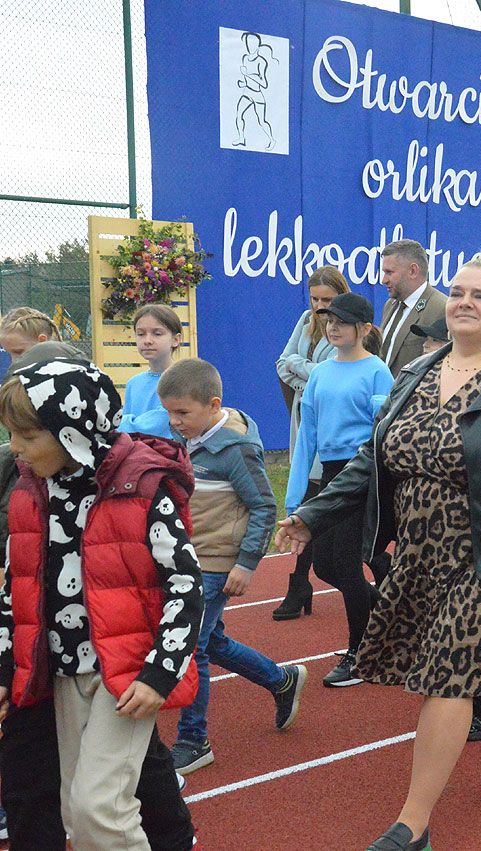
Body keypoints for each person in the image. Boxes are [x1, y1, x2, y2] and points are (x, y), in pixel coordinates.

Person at [277, 247, 481, 851]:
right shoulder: (415, 374)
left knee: (452, 676)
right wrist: (311, 513)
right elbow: (372, 462)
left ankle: (412, 825)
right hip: (422, 556)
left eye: (480, 295)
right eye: (458, 292)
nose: (463, 302)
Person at [0, 358, 204, 850]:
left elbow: (185, 584)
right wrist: (8, 668)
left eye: (28, 437)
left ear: (70, 429)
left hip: (127, 674)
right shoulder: (31, 493)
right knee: (76, 808)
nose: (16, 448)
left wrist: (161, 673)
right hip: (65, 672)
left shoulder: (142, 487)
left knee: (99, 809)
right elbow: (16, 590)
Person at [159, 359, 308, 775]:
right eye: (169, 413)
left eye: (182, 413)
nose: (174, 422)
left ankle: (194, 739)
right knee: (214, 642)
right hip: (187, 556)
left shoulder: (236, 450)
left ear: (213, 404)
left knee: (191, 647)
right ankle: (281, 680)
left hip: (216, 564)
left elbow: (264, 505)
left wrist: (245, 565)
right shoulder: (184, 434)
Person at [285, 292, 392, 688]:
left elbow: (384, 433)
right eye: (330, 321)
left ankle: (359, 653)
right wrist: (296, 495)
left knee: (345, 565)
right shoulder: (320, 373)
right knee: (325, 565)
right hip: (330, 475)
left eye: (342, 322)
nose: (332, 327)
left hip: (362, 475)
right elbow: (308, 436)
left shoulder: (378, 372)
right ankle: (385, 610)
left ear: (363, 329)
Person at [273, 266, 347, 620]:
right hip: (304, 420)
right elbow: (281, 362)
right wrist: (306, 371)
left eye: (327, 300)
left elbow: (326, 372)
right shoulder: (305, 320)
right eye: (315, 298)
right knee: (309, 500)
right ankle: (299, 584)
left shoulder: (344, 326)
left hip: (330, 424)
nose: (319, 307)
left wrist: (300, 369)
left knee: (318, 505)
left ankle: (300, 584)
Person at [379, 239, 448, 376]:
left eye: (389, 272)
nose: (384, 280)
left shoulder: (442, 308)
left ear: (413, 271)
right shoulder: (390, 305)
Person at [117, 304, 184, 436]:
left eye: (157, 334)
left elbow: (158, 424)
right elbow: (123, 430)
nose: (147, 340)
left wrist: (117, 424)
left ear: (176, 340)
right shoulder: (134, 383)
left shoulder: (182, 381)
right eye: (141, 334)